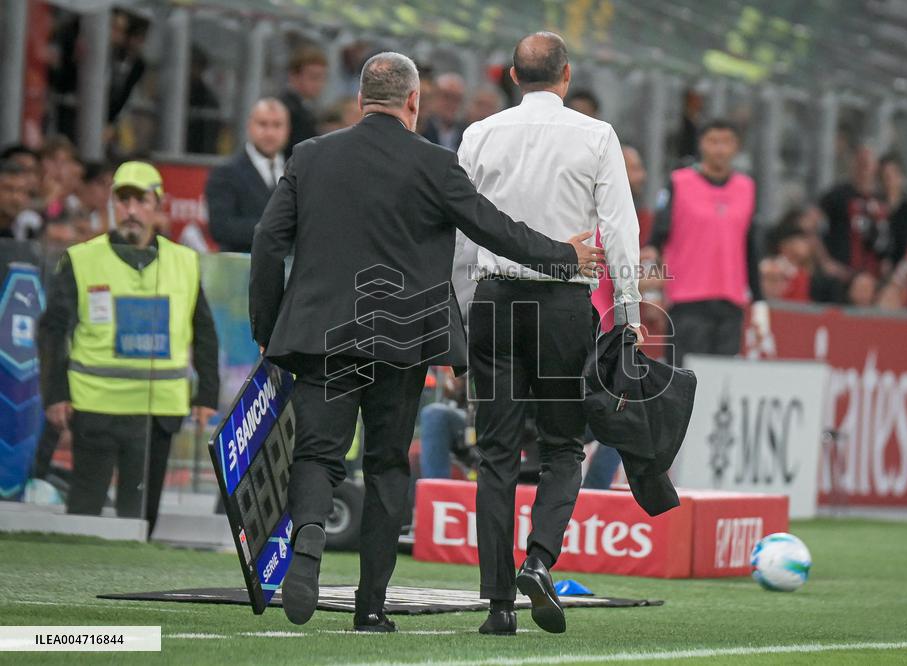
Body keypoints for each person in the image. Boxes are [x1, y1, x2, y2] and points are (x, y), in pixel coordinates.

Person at [249, 51, 601, 633]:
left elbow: (267, 241)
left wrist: (269, 330)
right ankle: (370, 608)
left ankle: (308, 539)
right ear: (413, 101)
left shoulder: (310, 156)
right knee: (387, 465)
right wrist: (563, 255)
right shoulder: (435, 163)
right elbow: (493, 228)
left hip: (322, 337)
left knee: (317, 454)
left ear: (361, 99)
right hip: (401, 339)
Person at [457, 32, 641, 636]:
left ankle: (497, 606)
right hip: (562, 306)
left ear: (513, 76)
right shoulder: (597, 136)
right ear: (567, 75)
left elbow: (460, 234)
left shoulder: (479, 135)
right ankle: (538, 560)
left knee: (495, 453)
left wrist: (463, 313)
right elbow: (620, 230)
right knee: (563, 447)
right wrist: (629, 313)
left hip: (493, 301)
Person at [37, 162, 219, 535]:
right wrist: (55, 394)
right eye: (123, 200)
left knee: (141, 520)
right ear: (112, 204)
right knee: (85, 513)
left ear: (158, 206)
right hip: (96, 405)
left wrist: (206, 395)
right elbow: (52, 332)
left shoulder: (184, 262)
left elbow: (203, 330)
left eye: (141, 201)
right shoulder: (82, 259)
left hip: (158, 409)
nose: (131, 210)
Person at [645, 119, 762, 366]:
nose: (720, 149)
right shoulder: (679, 182)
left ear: (736, 147)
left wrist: (759, 301)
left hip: (731, 303)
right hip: (687, 301)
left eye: (726, 142)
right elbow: (654, 244)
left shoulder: (747, 188)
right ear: (701, 145)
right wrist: (652, 293)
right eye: (713, 141)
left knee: (722, 380)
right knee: (683, 377)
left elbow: (749, 247)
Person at [206, 98, 290, 253]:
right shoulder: (225, 173)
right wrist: (276, 228)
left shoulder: (296, 171)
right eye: (263, 124)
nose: (270, 133)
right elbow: (221, 227)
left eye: (277, 125)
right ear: (249, 126)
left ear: (287, 129)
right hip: (241, 264)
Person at [818, 145, 894, 280]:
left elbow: (886, 234)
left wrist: (886, 260)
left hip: (873, 276)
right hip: (843, 275)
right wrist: (825, 262)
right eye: (860, 163)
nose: (863, 168)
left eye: (867, 164)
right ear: (852, 165)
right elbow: (809, 226)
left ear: (875, 167)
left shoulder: (882, 199)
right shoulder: (837, 195)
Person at [281, 47, 328, 158]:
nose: (319, 84)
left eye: (323, 78)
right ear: (293, 77)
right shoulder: (287, 110)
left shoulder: (306, 108)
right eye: (314, 77)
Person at [878, 153, 907, 265]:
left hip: (903, 265)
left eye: (893, 175)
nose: (889, 180)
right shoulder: (875, 203)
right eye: (885, 176)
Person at [421, 72, 466, 150]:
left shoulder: (467, 134)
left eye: (457, 99)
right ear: (433, 97)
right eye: (446, 96)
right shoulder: (421, 128)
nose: (451, 103)